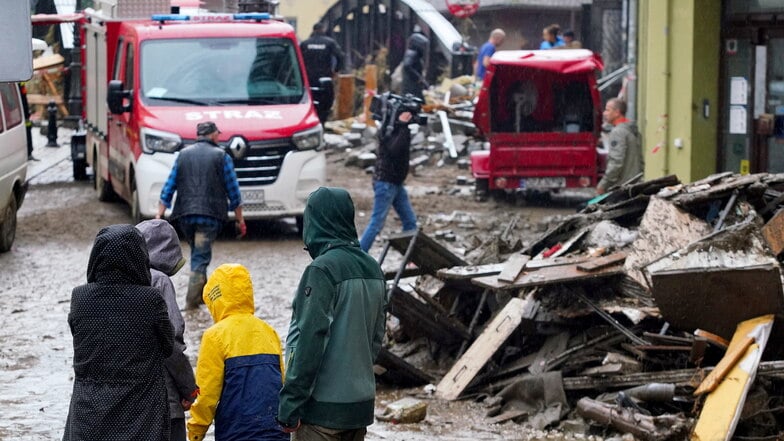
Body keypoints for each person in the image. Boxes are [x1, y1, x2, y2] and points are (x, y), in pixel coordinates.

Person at [277, 187, 387, 440]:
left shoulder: (321, 270)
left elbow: (308, 340)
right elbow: (376, 339)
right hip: (360, 407)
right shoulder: (373, 268)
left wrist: (290, 404)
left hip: (321, 414)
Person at [63, 224, 174, 441]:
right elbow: (167, 345)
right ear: (138, 256)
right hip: (141, 412)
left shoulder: (80, 298)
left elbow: (78, 336)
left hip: (89, 412)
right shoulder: (150, 300)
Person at [187, 263, 287, 441]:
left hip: (236, 433)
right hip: (275, 431)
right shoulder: (269, 331)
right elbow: (283, 383)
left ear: (215, 299)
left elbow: (207, 395)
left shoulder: (215, 336)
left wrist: (196, 432)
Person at [156, 121, 246, 310]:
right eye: (217, 134)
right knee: (200, 257)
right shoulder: (222, 157)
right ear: (213, 135)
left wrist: (159, 214)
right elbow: (234, 192)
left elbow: (169, 187)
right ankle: (191, 303)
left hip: (185, 216)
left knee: (198, 253)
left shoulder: (183, 155)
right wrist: (240, 219)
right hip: (210, 216)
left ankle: (203, 297)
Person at [136, 219, 200, 441]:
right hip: (165, 401)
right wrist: (189, 388)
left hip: (132, 405)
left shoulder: (122, 281)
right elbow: (171, 342)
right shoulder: (159, 281)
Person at [359, 106, 418, 253]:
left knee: (410, 222)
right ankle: (357, 256)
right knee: (377, 223)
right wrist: (403, 125)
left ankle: (412, 258)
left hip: (395, 183)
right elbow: (394, 149)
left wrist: (403, 125)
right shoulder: (390, 130)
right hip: (386, 183)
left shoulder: (395, 128)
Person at [597, 98, 643, 194]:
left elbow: (616, 162)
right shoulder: (633, 131)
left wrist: (603, 184)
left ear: (617, 112)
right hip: (634, 185)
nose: (604, 113)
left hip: (621, 187)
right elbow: (640, 160)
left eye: (607, 110)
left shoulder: (618, 132)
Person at [300, 22, 344, 123]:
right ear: (323, 29)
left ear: (313, 30)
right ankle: (322, 121)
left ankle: (311, 120)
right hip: (325, 78)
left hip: (308, 78)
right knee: (326, 102)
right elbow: (340, 56)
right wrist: (336, 71)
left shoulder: (305, 43)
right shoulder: (329, 43)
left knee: (310, 100)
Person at [402, 30, 429, 100]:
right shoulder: (412, 54)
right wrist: (419, 78)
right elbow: (407, 66)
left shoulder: (414, 54)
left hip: (413, 86)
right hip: (411, 87)